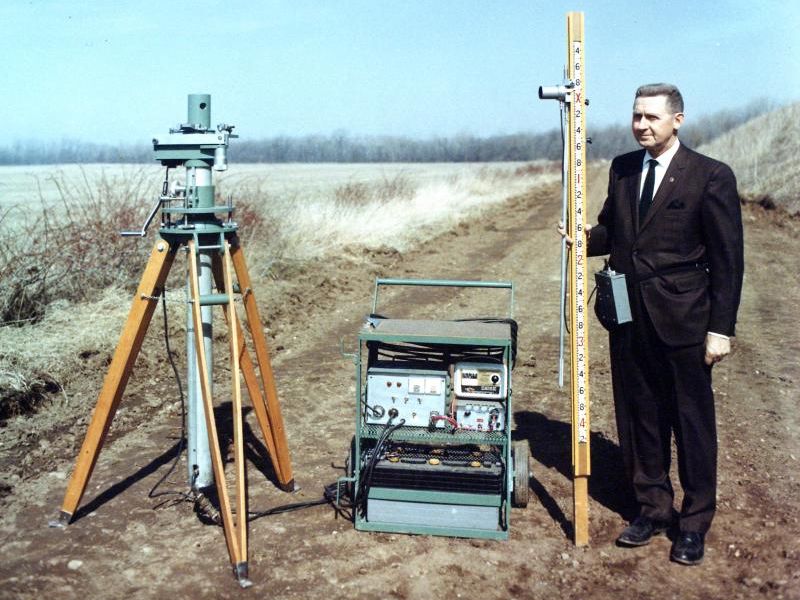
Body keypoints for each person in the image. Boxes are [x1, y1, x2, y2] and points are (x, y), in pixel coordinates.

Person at [563, 83, 744, 565]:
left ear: (677, 120)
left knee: (692, 423)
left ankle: (694, 522)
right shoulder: (623, 169)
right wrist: (584, 238)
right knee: (640, 418)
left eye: (651, 118)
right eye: (636, 116)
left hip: (685, 321)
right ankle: (652, 509)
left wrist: (720, 329)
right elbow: (616, 232)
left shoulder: (709, 176)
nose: (641, 125)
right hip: (628, 318)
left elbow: (729, 261)